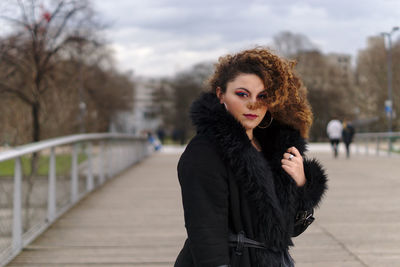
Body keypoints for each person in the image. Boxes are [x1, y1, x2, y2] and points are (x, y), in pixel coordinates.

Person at [174, 47, 327, 267]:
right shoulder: (204, 152)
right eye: (242, 94)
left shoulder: (274, 149)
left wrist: (302, 184)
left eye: (262, 96)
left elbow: (289, 230)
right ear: (220, 94)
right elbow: (205, 233)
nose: (253, 104)